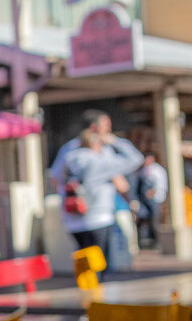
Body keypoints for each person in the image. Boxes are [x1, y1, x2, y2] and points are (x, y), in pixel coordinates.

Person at [49, 109, 142, 264]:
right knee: (99, 263)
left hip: (72, 216)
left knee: (84, 260)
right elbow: (136, 159)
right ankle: (95, 287)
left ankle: (86, 287)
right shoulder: (100, 159)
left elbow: (55, 177)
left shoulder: (69, 152)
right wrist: (115, 142)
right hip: (99, 216)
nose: (109, 130)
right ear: (94, 130)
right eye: (106, 126)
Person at [136, 145, 168, 249]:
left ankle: (157, 242)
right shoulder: (142, 171)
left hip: (155, 200)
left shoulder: (157, 170)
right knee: (143, 219)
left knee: (155, 221)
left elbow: (160, 185)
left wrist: (152, 192)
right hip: (143, 200)